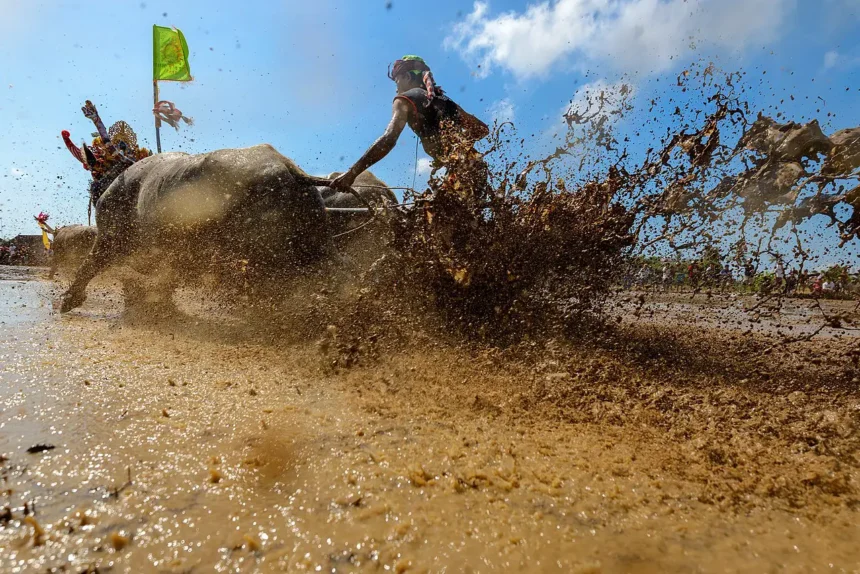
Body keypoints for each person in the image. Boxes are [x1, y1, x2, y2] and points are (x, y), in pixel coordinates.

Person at [331, 56, 490, 198]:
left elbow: (388, 139)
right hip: (477, 172)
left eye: (396, 81)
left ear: (407, 76)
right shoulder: (445, 101)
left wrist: (351, 174)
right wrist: (458, 149)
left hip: (461, 176)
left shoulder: (404, 99)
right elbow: (482, 130)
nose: (395, 87)